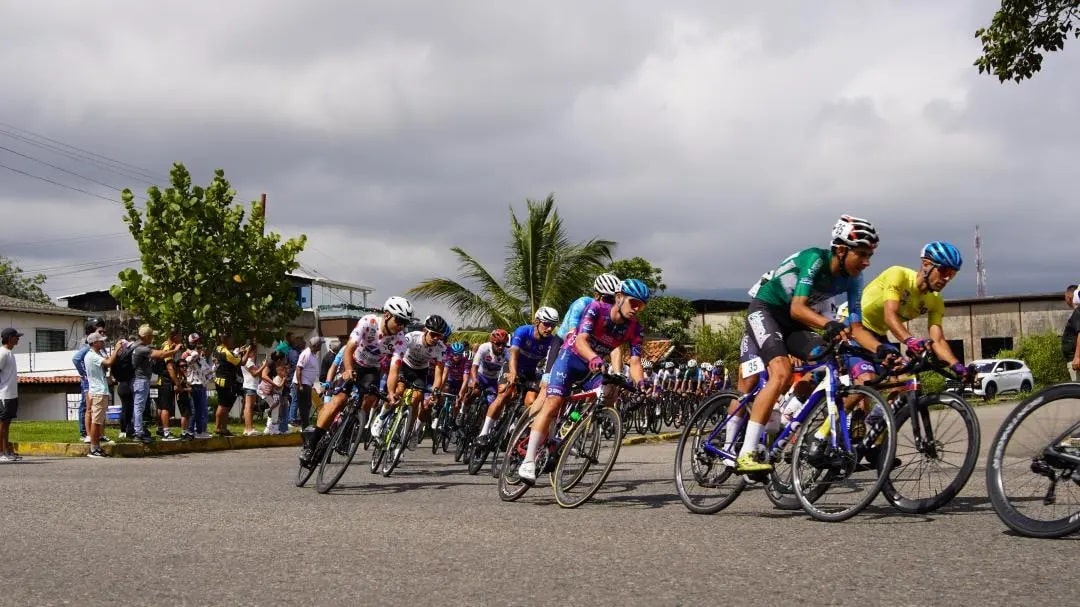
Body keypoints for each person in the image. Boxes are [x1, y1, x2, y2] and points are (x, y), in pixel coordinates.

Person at [734, 215, 896, 473]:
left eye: (870, 255)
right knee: (781, 372)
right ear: (842, 250)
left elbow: (855, 327)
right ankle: (746, 452)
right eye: (862, 254)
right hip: (766, 311)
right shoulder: (815, 259)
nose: (867, 262)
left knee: (826, 358)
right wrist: (827, 325)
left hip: (793, 324)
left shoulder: (854, 279)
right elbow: (798, 308)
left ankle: (793, 422)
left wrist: (879, 349)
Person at [518, 278, 651, 482]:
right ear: (619, 297)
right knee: (553, 402)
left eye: (640, 306)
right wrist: (595, 357)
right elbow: (580, 341)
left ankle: (570, 430)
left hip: (593, 368)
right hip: (570, 358)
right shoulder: (596, 308)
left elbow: (634, 362)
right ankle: (528, 460)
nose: (636, 309)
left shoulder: (634, 328)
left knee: (607, 394)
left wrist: (642, 383)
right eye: (633, 303)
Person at [299, 296, 413, 466]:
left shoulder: (400, 339)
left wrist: (390, 392)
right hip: (352, 362)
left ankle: (347, 431)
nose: (402, 326)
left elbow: (394, 370)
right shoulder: (369, 321)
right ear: (387, 315)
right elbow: (349, 348)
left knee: (370, 398)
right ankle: (312, 443)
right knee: (339, 400)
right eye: (400, 320)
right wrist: (348, 369)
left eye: (406, 323)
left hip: (371, 369)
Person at [847, 241, 969, 385]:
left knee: (907, 381)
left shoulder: (935, 300)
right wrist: (910, 340)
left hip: (879, 335)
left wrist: (957, 366)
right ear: (926, 264)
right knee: (867, 380)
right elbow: (889, 315)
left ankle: (886, 408)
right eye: (944, 271)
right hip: (853, 326)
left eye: (952, 274)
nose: (947, 278)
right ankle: (835, 408)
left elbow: (938, 340)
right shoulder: (898, 275)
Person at [476, 307, 560, 445]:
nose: (550, 329)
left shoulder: (551, 341)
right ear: (536, 322)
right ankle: (484, 432)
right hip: (513, 367)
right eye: (547, 324)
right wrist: (513, 373)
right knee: (504, 394)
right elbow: (514, 354)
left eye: (553, 325)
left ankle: (517, 425)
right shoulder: (523, 331)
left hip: (531, 373)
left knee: (532, 401)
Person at [131, 325, 183, 444]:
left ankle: (140, 430)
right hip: (141, 380)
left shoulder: (137, 346)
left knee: (141, 407)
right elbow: (160, 355)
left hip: (141, 380)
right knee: (140, 408)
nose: (152, 338)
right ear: (146, 337)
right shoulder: (141, 349)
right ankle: (138, 433)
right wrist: (174, 351)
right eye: (151, 336)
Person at [84, 332, 121, 457]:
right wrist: (116, 349)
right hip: (98, 391)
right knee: (97, 421)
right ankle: (94, 448)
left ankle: (96, 447)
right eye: (100, 341)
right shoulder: (92, 356)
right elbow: (109, 362)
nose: (103, 342)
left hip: (97, 390)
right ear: (94, 343)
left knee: (98, 420)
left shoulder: (93, 355)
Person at [73, 318, 108, 443]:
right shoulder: (88, 344)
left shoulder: (100, 345)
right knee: (87, 407)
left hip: (100, 380)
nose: (103, 333)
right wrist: (84, 374)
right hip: (90, 381)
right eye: (100, 330)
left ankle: (99, 434)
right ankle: (85, 433)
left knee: (98, 409)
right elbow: (76, 359)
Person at [0, 328, 23, 462]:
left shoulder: (9, 353)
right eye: (16, 337)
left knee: (7, 424)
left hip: (11, 394)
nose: (18, 339)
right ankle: (1, 452)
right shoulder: (2, 353)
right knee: (2, 424)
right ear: (9, 338)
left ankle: (6, 451)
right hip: (4, 394)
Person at [293, 335, 322, 429]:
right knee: (304, 406)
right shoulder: (306, 354)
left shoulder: (313, 354)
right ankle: (304, 427)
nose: (321, 346)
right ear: (316, 345)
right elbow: (298, 369)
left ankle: (305, 425)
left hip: (308, 384)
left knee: (308, 405)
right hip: (302, 384)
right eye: (320, 344)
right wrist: (300, 385)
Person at [1062, 284, 1080, 382]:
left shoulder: (1078, 312)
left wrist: (1077, 357)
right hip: (1074, 360)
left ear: (1069, 297)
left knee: (1076, 391)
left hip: (1076, 361)